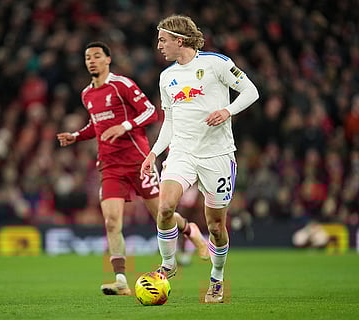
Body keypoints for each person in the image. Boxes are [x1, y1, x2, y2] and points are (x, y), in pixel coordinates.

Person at [57, 41, 208, 296]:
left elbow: (150, 112)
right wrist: (76, 135)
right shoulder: (87, 94)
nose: (91, 61)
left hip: (138, 160)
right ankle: (120, 281)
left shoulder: (121, 85)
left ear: (108, 59)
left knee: (162, 214)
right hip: (110, 164)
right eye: (87, 57)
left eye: (96, 56)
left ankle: (190, 230)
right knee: (111, 220)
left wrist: (125, 127)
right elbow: (97, 126)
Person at [141, 15, 259, 303]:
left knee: (216, 227)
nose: (159, 46)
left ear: (179, 40)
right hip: (181, 152)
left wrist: (228, 111)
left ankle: (217, 278)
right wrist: (154, 153)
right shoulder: (166, 77)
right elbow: (169, 121)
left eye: (162, 40)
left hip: (217, 155)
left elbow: (251, 91)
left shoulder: (216, 63)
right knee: (165, 207)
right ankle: (167, 266)